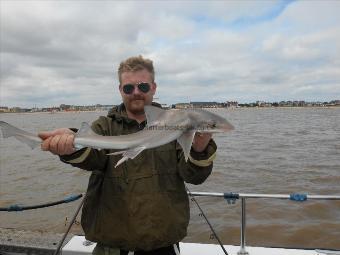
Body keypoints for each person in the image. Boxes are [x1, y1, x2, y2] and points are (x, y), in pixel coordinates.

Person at [39, 56, 217, 255]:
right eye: (128, 88)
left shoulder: (176, 126)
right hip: (112, 246)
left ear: (154, 87)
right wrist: (71, 145)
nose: (136, 93)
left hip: (163, 243)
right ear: (120, 90)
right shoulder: (105, 126)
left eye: (143, 86)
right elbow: (91, 158)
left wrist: (199, 149)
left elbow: (195, 178)